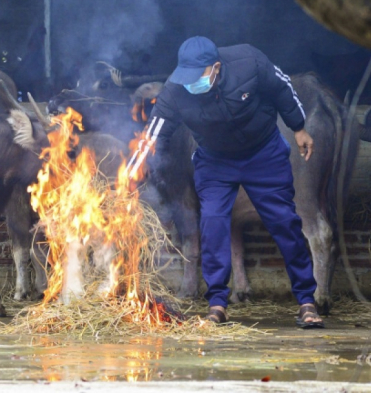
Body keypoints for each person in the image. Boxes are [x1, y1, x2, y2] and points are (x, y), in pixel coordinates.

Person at [129, 36, 324, 328]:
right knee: (213, 222)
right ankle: (217, 303)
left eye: (197, 77)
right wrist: (133, 169)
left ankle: (307, 301)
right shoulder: (176, 89)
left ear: (215, 68)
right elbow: (153, 131)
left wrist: (298, 128)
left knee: (285, 222)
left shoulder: (249, 61)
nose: (189, 83)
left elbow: (282, 87)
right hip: (214, 159)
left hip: (263, 152)